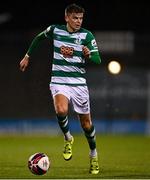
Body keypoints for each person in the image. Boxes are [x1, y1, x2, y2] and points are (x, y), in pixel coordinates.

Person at [19, 3, 101, 174]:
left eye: (81, 18)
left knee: (86, 125)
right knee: (61, 109)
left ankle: (93, 154)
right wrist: (27, 56)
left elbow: (98, 60)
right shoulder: (55, 30)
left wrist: (89, 55)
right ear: (67, 18)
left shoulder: (87, 35)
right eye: (75, 18)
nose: (78, 21)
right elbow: (39, 38)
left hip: (78, 83)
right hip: (59, 80)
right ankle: (68, 138)